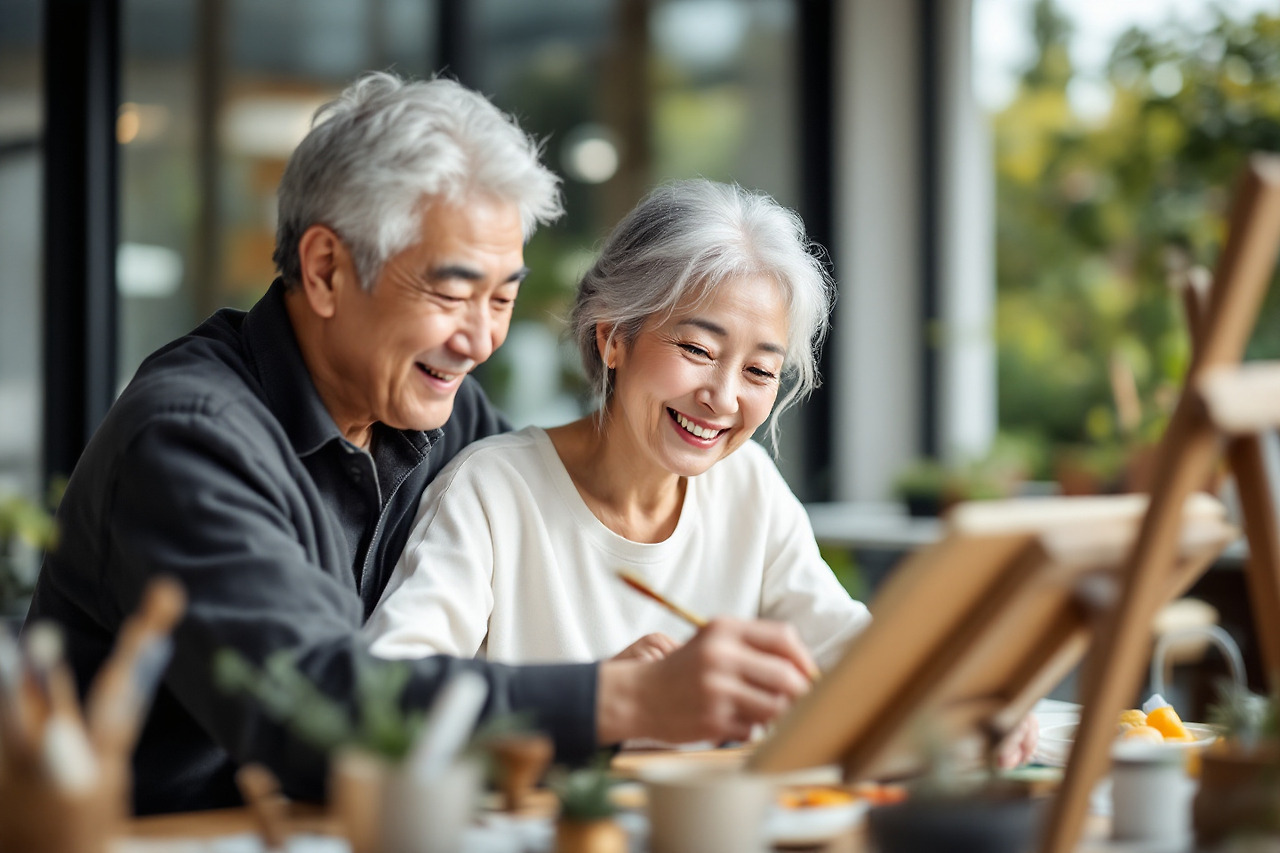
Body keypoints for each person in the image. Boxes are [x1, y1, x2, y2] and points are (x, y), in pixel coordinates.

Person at [25, 74, 817, 815]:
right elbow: (323, 716)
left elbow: (532, 549)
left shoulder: (440, 410)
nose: (481, 339)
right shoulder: (190, 437)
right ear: (328, 269)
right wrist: (626, 699)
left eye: (503, 295)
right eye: (451, 291)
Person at [365, 179, 871, 673]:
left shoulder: (748, 487)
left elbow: (857, 655)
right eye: (697, 349)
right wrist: (598, 701)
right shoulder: (494, 490)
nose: (722, 398)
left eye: (759, 371)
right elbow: (391, 686)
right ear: (613, 338)